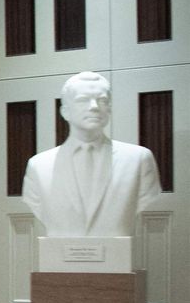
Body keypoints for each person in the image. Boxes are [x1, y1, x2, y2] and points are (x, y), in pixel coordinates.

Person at [21, 71, 163, 237]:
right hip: (59, 257)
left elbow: (146, 198)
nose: (94, 106)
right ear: (65, 111)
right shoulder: (39, 165)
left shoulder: (138, 159)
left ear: (109, 109)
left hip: (117, 257)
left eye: (102, 100)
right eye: (83, 100)